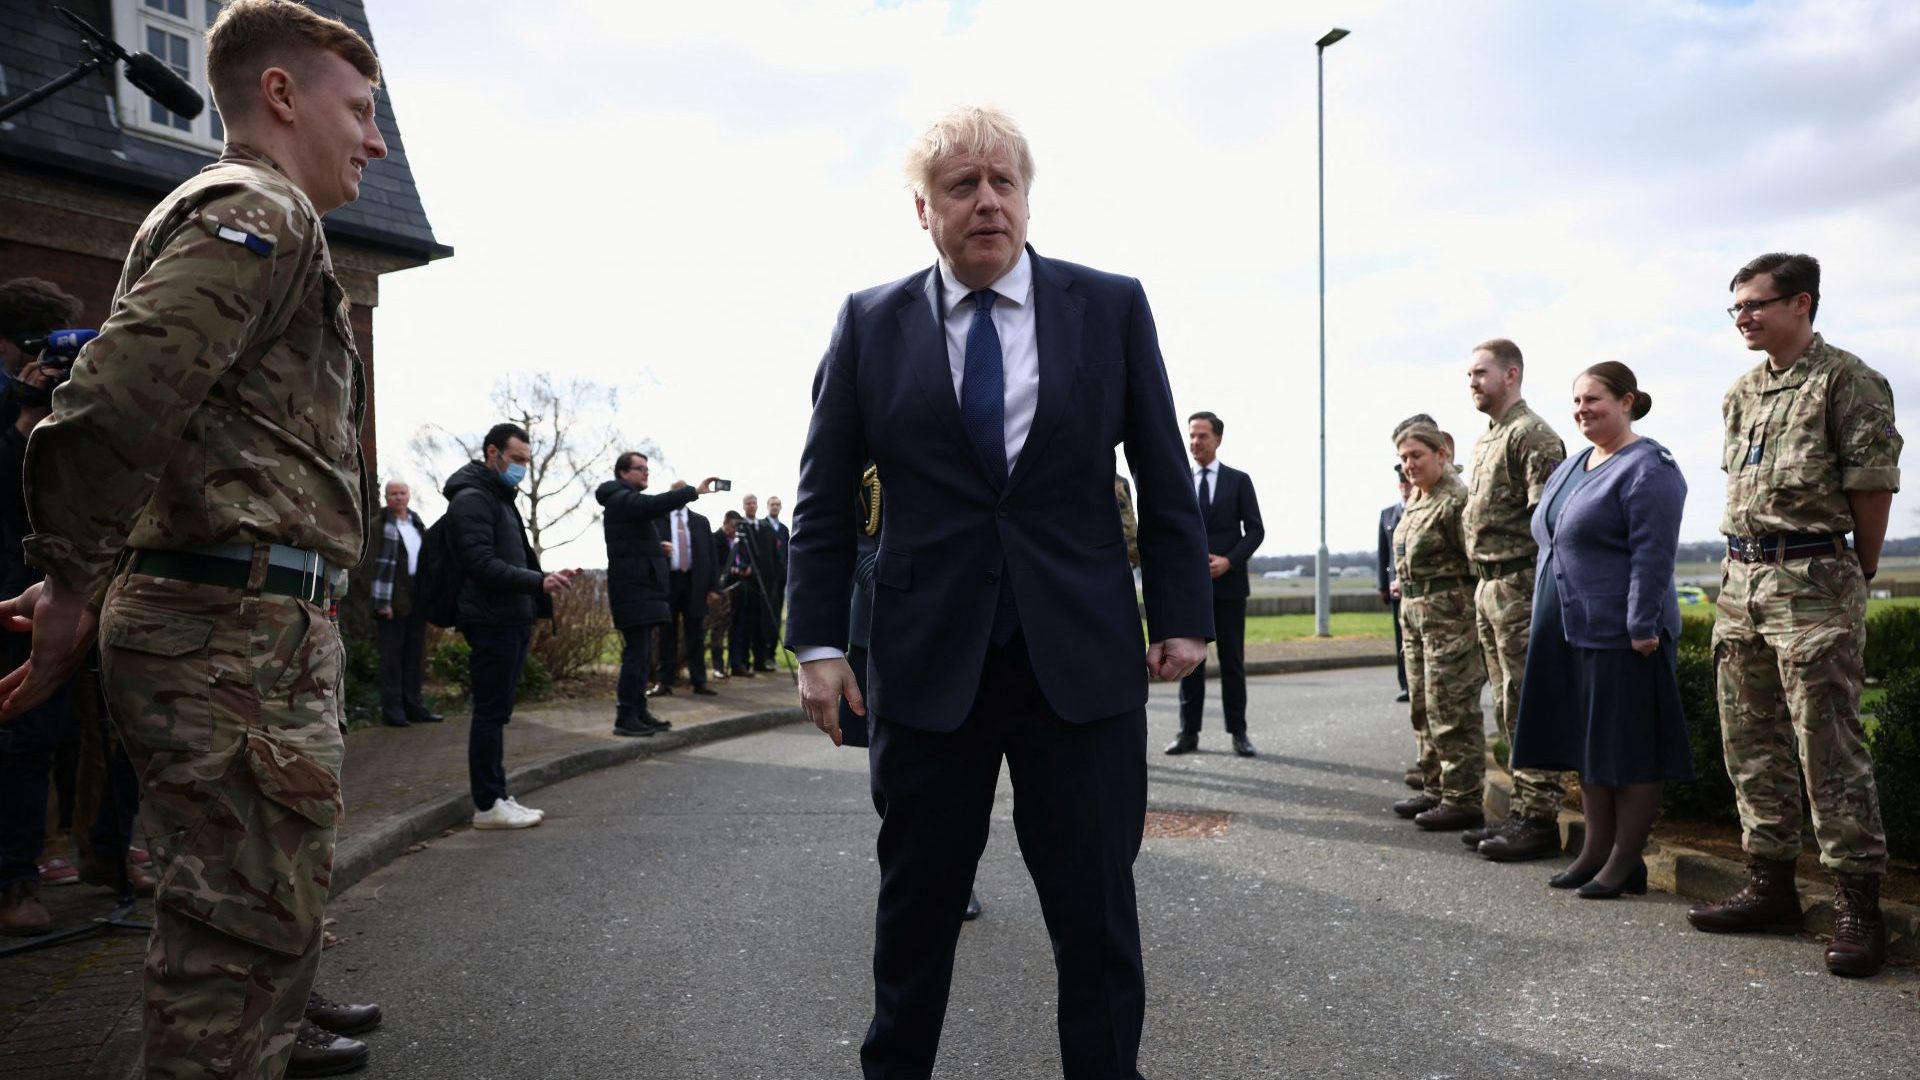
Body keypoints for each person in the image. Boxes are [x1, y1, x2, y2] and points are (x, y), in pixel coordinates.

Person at [786, 105, 1211, 1080]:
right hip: (930, 665)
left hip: (1081, 662)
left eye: (1003, 182)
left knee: (1097, 911)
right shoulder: (869, 324)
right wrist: (816, 645)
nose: (987, 201)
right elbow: (821, 501)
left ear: (1026, 195)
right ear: (924, 209)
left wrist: (1183, 611)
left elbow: (1158, 461)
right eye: (962, 185)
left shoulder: (1108, 306)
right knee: (916, 909)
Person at [0, 2, 385, 1072]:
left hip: (241, 624)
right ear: (280, 96)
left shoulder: (251, 216)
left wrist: (100, 564)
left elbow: (179, 434)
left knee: (257, 938)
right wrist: (73, 578)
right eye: (359, 110)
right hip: (231, 638)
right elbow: (116, 399)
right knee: (227, 968)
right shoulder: (255, 209)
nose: (375, 139)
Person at [1686, 253, 1901, 977]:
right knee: (1749, 736)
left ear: (1800, 303)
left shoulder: (1849, 380)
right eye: (1736, 308)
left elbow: (1871, 487)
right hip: (1742, 577)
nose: (1743, 317)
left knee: (1828, 744)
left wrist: (1856, 571)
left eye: (1755, 304)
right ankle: (1770, 884)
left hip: (1814, 576)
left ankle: (1856, 903)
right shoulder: (1741, 391)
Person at [1511, 363, 1690, 898]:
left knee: (1629, 746)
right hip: (1567, 628)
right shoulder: (1572, 464)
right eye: (1576, 401)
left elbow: (1653, 555)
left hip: (1622, 630)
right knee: (1589, 745)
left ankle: (1625, 859)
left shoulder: (1649, 467)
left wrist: (1641, 623)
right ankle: (1596, 848)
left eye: (1594, 400)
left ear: (1627, 401)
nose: (1582, 409)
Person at [839, 464, 982, 921]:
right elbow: (854, 543)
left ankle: (957, 879)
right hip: (885, 626)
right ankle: (918, 874)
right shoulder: (865, 466)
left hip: (965, 625)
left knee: (963, 765)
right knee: (900, 770)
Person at [1460, 338, 1569, 862]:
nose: (1473, 382)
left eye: (1481, 373)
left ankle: (1540, 816)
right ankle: (1522, 808)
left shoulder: (1532, 436)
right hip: (1489, 586)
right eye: (1470, 375)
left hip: (1521, 585)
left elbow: (1551, 524)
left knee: (1529, 699)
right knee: (1506, 700)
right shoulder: (1489, 439)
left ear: (1512, 374)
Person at [443, 423, 578, 828]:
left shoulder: (500, 498)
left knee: (498, 714)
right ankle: (486, 805)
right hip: (490, 620)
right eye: (516, 459)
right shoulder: (472, 499)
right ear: (492, 453)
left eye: (526, 461)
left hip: (510, 617)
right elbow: (481, 564)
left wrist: (539, 581)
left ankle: (499, 793)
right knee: (489, 714)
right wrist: (539, 580)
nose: (522, 468)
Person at [1389, 424, 1488, 832]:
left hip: (1450, 618)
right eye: (1404, 459)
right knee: (1422, 704)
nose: (1409, 465)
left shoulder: (1456, 501)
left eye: (1417, 456)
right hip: (1415, 614)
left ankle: (1463, 798)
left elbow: (1475, 563)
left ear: (1441, 454)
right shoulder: (1418, 499)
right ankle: (1435, 786)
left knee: (1452, 707)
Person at [596, 452, 717, 736]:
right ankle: (626, 717)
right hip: (633, 590)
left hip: (642, 589)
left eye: (647, 469)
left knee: (642, 654)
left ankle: (639, 712)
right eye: (640, 469)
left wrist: (655, 548)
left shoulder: (626, 499)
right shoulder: (620, 497)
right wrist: (692, 492)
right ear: (624, 473)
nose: (646, 473)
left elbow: (632, 541)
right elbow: (650, 505)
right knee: (636, 657)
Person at [1167, 410, 1264, 757]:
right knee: (1190, 662)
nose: (1195, 442)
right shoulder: (1178, 480)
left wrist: (1229, 561)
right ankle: (1187, 733)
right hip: (1190, 591)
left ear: (1218, 439)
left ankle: (1238, 732)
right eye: (1191, 435)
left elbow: (1255, 530)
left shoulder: (1239, 481)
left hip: (1229, 587)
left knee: (1232, 662)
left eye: (1202, 436)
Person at [371, 480, 441, 728]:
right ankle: (393, 711)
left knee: (414, 656)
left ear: (409, 495)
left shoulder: (417, 524)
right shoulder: (378, 526)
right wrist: (382, 602)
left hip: (416, 597)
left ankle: (415, 706)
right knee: (392, 658)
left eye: (402, 492)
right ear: (386, 497)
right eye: (393, 493)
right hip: (390, 598)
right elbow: (373, 567)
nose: (398, 497)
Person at [653, 480, 721, 698]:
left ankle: (699, 681)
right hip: (668, 583)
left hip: (695, 584)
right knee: (666, 634)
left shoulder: (701, 522)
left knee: (696, 635)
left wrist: (713, 587)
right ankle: (665, 682)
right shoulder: (658, 520)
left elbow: (712, 556)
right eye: (676, 493)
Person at [1377, 466, 1411, 706]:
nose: (1405, 486)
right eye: (1402, 483)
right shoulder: (1388, 514)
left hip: (1415, 585)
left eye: (1407, 482)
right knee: (1401, 640)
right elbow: (1382, 554)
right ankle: (1405, 684)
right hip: (1395, 586)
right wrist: (1382, 586)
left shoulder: (1419, 510)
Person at [738, 494, 777, 672]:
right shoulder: (741, 527)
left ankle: (760, 661)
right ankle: (744, 661)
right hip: (748, 584)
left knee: (763, 624)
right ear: (744, 506)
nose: (751, 506)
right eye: (748, 503)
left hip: (766, 583)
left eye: (754, 502)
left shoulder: (766, 528)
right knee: (747, 623)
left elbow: (773, 555)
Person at [715, 511, 751, 676]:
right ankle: (718, 666)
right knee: (719, 628)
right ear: (727, 522)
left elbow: (743, 559)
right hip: (723, 590)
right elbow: (716, 564)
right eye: (735, 525)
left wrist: (744, 567)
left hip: (739, 587)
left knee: (739, 627)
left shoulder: (741, 541)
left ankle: (736, 663)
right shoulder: (715, 539)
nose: (736, 529)